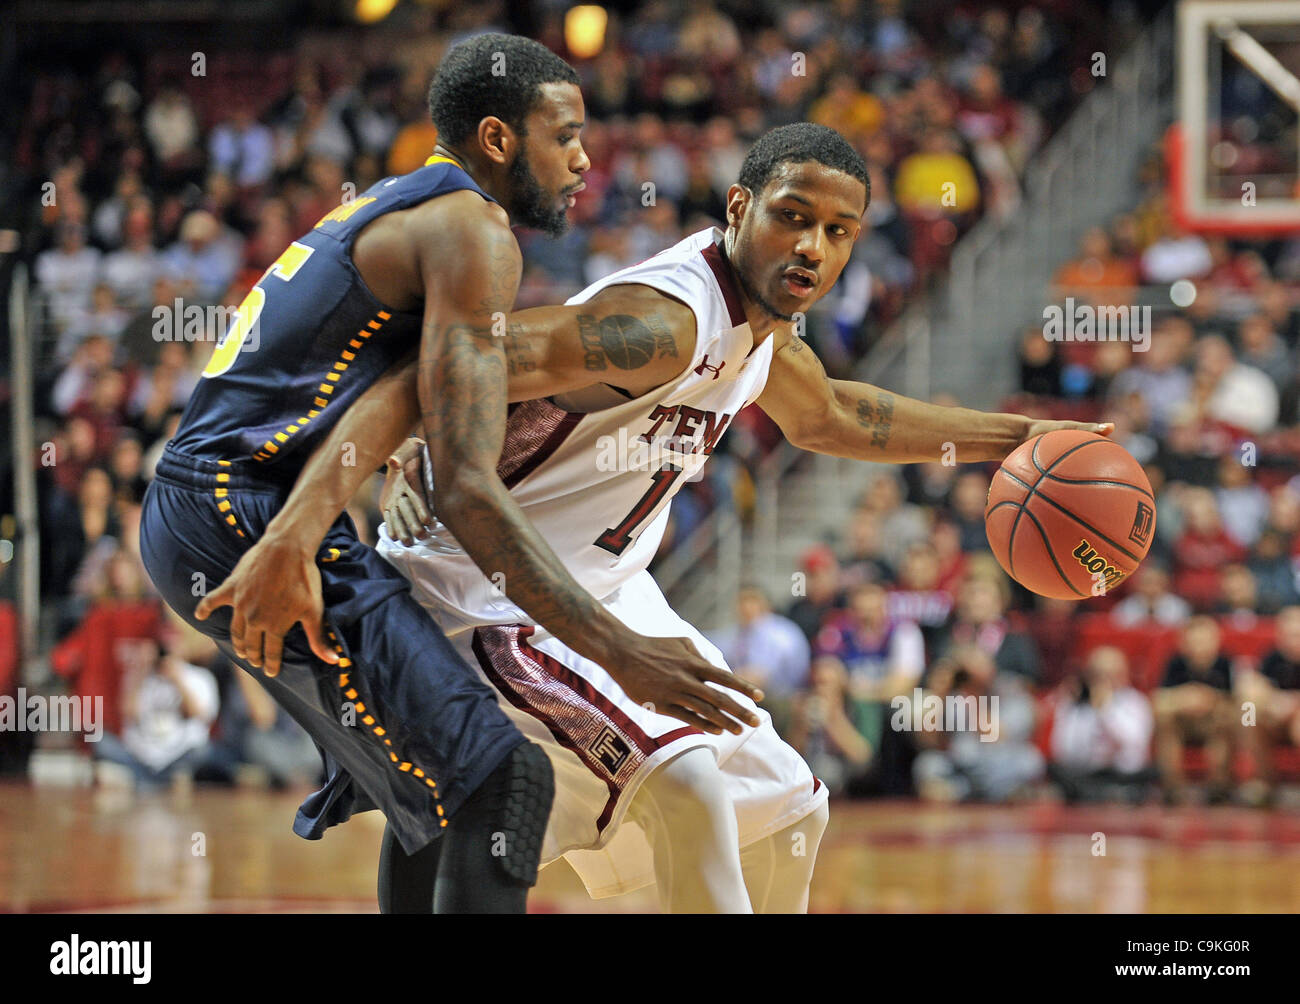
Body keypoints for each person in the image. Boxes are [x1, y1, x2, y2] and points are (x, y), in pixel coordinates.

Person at [369, 123, 1110, 910]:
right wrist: (398, 448)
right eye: (792, 216)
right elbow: (465, 348)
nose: (813, 248)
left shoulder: (761, 330)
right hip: (483, 588)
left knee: (787, 807)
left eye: (838, 231)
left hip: (604, 586)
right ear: (739, 206)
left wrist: (1014, 438)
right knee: (681, 780)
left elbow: (831, 415)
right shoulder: (665, 325)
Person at [138, 33, 758, 915]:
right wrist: (619, 649)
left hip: (210, 503)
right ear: (499, 139)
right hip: (245, 513)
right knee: (505, 784)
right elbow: (468, 489)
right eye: (566, 136)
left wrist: (391, 454)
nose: (587, 159)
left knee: (445, 789)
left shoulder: (403, 203)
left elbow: (356, 375)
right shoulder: (474, 229)